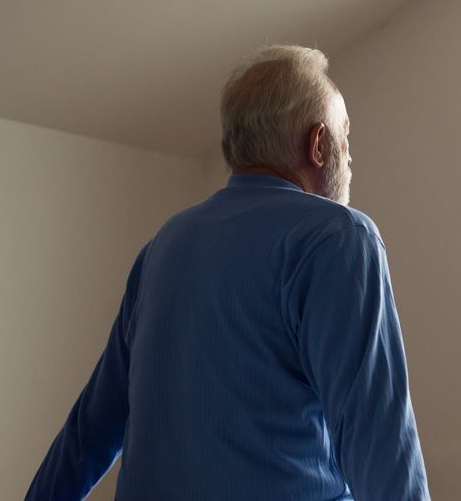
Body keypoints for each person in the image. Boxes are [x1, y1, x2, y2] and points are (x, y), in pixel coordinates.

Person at [26, 45, 429, 500]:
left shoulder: (163, 246)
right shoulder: (337, 237)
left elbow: (89, 433)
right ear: (318, 144)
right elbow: (378, 440)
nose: (351, 158)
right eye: (346, 138)